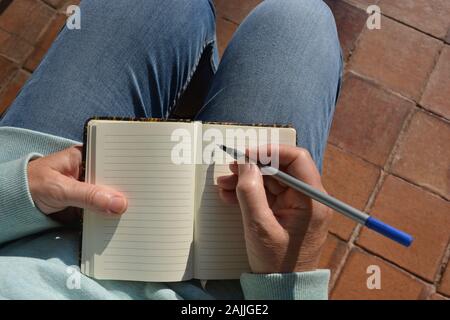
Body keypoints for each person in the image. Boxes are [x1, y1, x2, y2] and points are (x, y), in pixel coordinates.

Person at [0, 0, 342, 299]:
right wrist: (286, 285)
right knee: (299, 20)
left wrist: (18, 191)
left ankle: (194, 107)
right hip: (233, 286)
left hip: (21, 225)